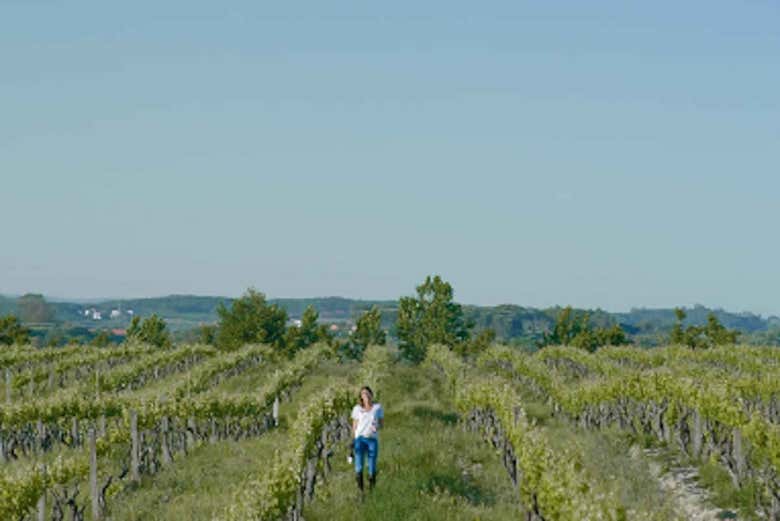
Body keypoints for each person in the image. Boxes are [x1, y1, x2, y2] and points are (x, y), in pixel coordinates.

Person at [351, 385, 384, 494]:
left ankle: (372, 490)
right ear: (361, 397)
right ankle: (361, 491)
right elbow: (354, 426)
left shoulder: (377, 408)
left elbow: (381, 424)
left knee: (372, 465)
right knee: (359, 465)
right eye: (363, 394)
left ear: (371, 394)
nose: (366, 395)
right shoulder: (357, 409)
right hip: (360, 439)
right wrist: (353, 441)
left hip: (372, 439)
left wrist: (377, 426)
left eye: (367, 393)